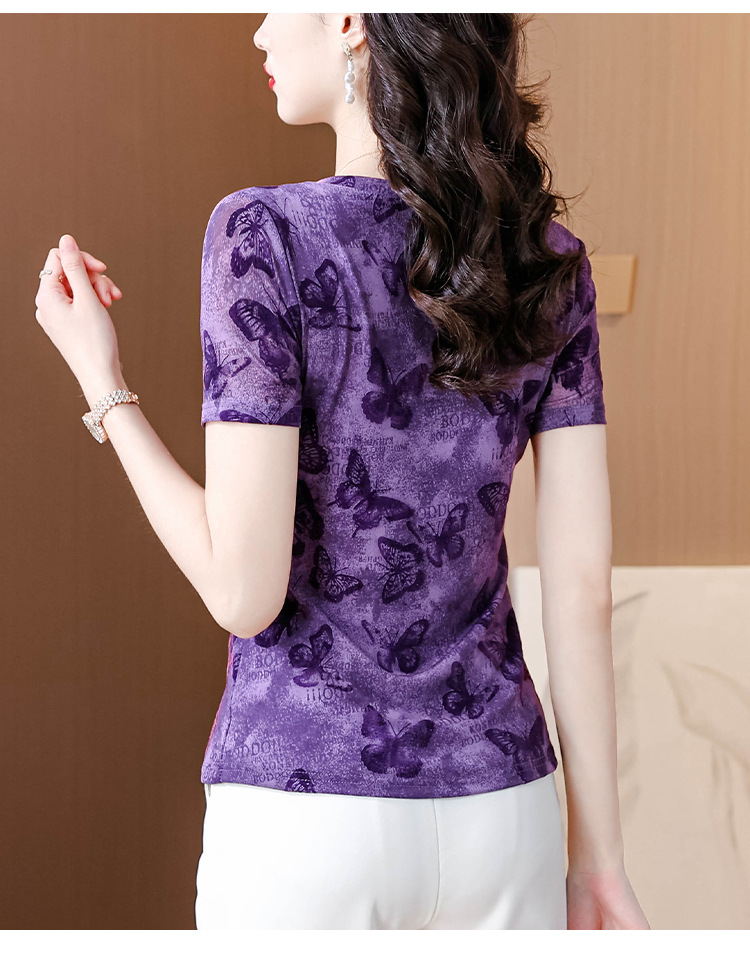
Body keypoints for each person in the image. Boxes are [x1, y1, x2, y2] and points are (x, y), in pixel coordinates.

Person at [34, 11, 650, 933]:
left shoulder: (263, 235)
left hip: (304, 809)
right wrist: (598, 861)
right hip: (502, 808)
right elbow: (582, 588)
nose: (259, 31)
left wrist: (104, 385)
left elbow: (244, 592)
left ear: (353, 21)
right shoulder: (548, 265)